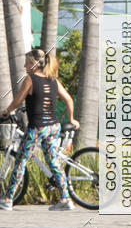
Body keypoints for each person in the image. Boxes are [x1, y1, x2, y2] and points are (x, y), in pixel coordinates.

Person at [0, 48, 78, 211]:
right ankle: (65, 199)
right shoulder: (53, 80)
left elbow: (17, 101)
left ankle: (8, 199)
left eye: (27, 62)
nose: (24, 65)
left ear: (35, 64)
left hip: (37, 128)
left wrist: (6, 111)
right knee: (54, 162)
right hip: (53, 127)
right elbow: (69, 100)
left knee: (21, 161)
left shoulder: (30, 79)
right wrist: (71, 119)